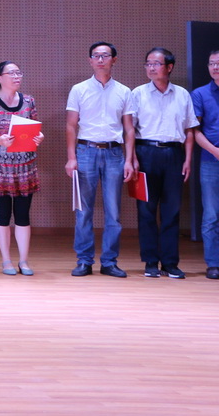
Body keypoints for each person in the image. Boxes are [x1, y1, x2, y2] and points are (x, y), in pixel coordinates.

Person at [125, 47, 197, 279]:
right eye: (148, 63)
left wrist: (187, 159)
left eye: (156, 63)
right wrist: (132, 157)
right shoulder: (137, 93)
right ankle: (150, 262)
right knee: (146, 210)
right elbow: (129, 130)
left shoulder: (182, 94)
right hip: (145, 153)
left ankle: (170, 263)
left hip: (174, 154)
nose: (151, 68)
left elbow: (189, 130)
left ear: (169, 67)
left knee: (172, 210)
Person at [65, 41, 133, 278]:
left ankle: (109, 261)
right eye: (96, 56)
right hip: (86, 151)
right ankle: (84, 261)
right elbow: (71, 125)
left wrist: (129, 160)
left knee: (113, 211)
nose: (101, 59)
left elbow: (129, 129)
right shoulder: (79, 89)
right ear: (90, 61)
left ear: (114, 60)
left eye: (105, 55)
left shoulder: (124, 91)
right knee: (83, 210)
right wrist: (71, 158)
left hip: (115, 153)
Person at [0, 61, 41, 275]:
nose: (16, 76)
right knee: (3, 213)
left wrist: (39, 137)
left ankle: (24, 260)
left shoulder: (28, 100)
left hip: (25, 166)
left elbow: (34, 128)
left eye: (18, 73)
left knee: (23, 214)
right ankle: (6, 260)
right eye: (11, 73)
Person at [190, 48, 219, 279]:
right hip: (211, 160)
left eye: (218, 63)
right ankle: (214, 263)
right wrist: (215, 151)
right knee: (211, 214)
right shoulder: (199, 94)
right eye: (211, 63)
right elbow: (195, 131)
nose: (215, 67)